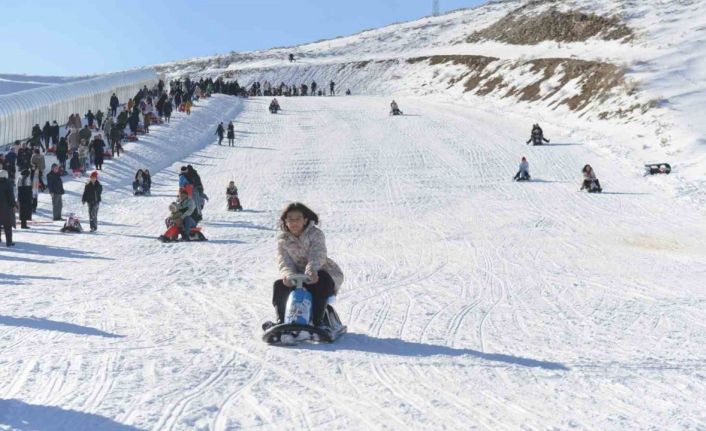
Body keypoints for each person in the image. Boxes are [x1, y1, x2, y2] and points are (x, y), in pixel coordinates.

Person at [272, 202, 344, 328]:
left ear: (305, 220)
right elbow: (284, 261)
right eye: (290, 219)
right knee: (279, 285)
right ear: (285, 221)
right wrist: (288, 276)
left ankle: (318, 322)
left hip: (321, 272)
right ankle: (282, 322)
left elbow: (318, 253)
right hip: (298, 277)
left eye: (298, 219)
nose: (294, 223)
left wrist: (312, 270)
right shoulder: (283, 240)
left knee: (322, 279)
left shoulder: (315, 234)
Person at [0, 170, 15, 246]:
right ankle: (9, 241)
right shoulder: (8, 183)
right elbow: (11, 196)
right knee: (7, 225)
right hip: (6, 207)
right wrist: (13, 204)